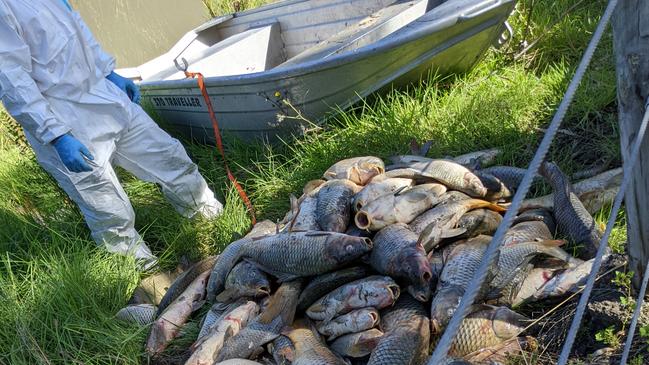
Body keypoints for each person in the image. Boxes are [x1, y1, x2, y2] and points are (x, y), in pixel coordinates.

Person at [0, 0, 223, 270]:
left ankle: (212, 223)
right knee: (108, 209)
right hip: (65, 119)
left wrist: (109, 71)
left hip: (105, 97)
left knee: (169, 156)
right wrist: (57, 136)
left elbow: (77, 31)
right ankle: (142, 275)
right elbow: (12, 80)